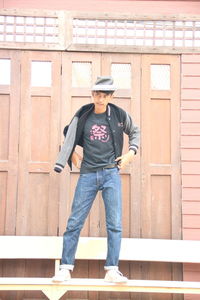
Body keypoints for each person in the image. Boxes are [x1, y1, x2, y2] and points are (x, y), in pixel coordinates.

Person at [52, 76, 140, 283]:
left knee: (114, 223)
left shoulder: (119, 114)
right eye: (96, 95)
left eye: (104, 96)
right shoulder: (83, 114)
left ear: (110, 97)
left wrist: (131, 153)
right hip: (88, 174)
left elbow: (135, 131)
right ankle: (65, 268)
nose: (99, 99)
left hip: (111, 173)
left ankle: (112, 270)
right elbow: (69, 132)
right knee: (75, 221)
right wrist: (72, 152)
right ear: (92, 95)